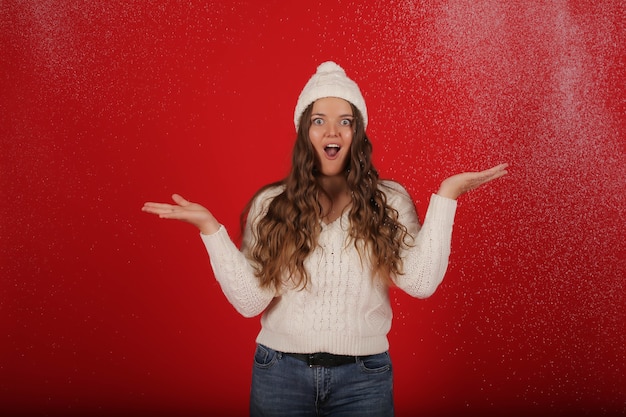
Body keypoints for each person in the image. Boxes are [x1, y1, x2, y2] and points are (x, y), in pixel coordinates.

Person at [142, 61, 508, 417]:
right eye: (319, 121)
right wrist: (211, 229)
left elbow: (421, 282)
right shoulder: (272, 204)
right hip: (280, 375)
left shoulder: (389, 201)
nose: (332, 132)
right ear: (305, 132)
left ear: (357, 133)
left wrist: (446, 196)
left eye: (344, 122)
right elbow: (251, 301)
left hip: (364, 379)